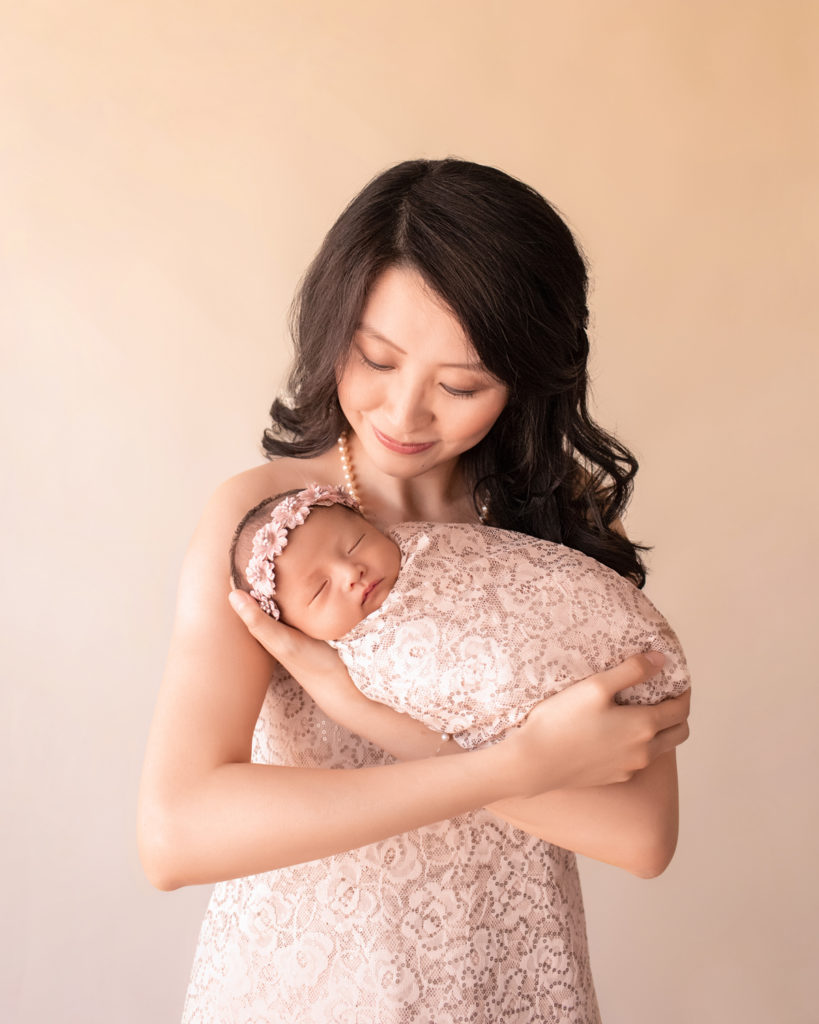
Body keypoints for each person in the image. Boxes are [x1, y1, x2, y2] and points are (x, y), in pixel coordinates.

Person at [138, 158, 691, 1024]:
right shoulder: (266, 524)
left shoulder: (559, 532)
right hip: (314, 984)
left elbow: (641, 836)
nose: (404, 414)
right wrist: (520, 767)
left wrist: (390, 728)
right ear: (333, 332)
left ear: (526, 379)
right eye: (377, 360)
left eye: (461, 386)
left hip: (508, 977)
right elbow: (176, 831)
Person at [229, 483, 690, 750]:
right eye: (320, 589)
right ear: (293, 629)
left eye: (354, 544)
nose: (352, 573)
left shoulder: (431, 544)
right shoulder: (370, 664)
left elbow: (515, 567)